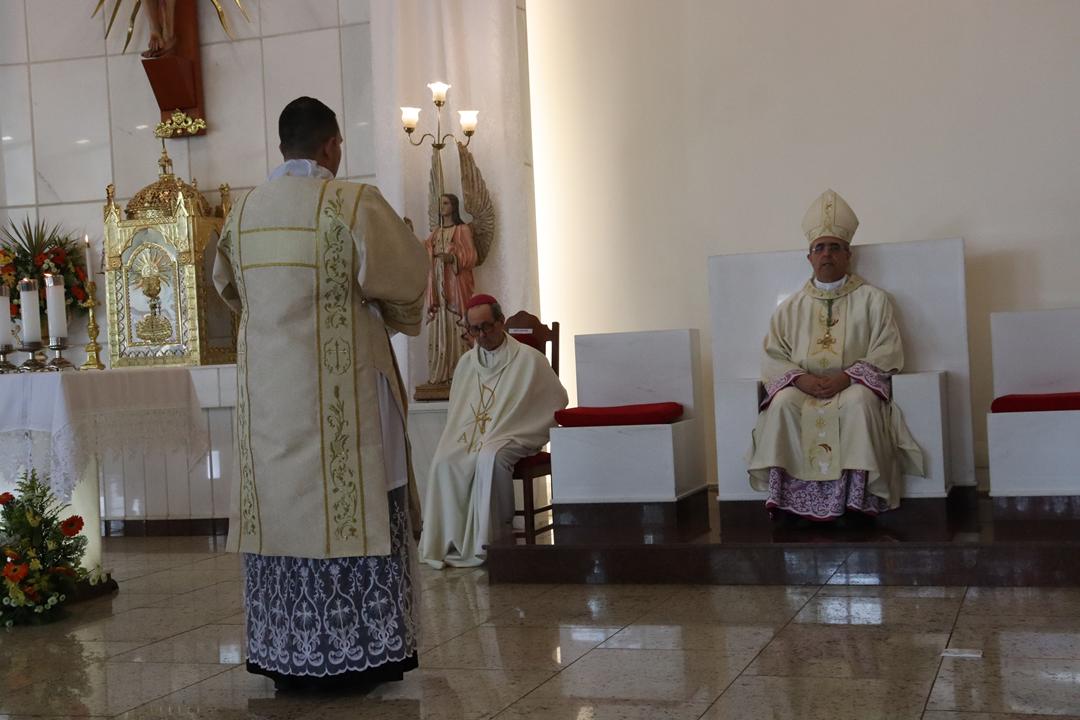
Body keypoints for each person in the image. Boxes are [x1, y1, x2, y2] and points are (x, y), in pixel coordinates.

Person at [212, 96, 429, 689]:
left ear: (283, 146)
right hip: (346, 397)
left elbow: (229, 289)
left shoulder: (242, 213)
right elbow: (408, 278)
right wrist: (382, 312)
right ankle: (362, 655)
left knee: (282, 513)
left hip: (271, 403)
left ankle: (287, 657)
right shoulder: (351, 203)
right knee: (358, 501)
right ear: (332, 145)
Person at [747, 189, 923, 522]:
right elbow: (773, 355)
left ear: (848, 255)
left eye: (834, 247)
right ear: (809, 257)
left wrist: (847, 377)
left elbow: (886, 348)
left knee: (860, 403)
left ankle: (856, 500)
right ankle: (787, 501)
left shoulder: (873, 300)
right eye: (820, 247)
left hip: (852, 385)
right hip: (803, 388)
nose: (827, 254)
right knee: (782, 404)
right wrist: (801, 380)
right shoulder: (790, 308)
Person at [419, 294, 568, 568]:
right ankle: (452, 540)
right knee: (443, 461)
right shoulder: (466, 364)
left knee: (491, 456)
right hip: (475, 437)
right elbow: (460, 413)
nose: (481, 335)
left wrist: (513, 423)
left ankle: (497, 537)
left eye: (486, 326)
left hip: (516, 433)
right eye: (474, 329)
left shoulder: (529, 359)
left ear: (501, 322)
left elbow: (556, 399)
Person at [423, 193, 478, 386]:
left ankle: (459, 374)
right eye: (440, 203)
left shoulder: (462, 229)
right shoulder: (436, 233)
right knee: (439, 324)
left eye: (445, 203)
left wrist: (453, 258)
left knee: (456, 326)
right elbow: (424, 250)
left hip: (455, 285)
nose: (442, 206)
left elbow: (471, 256)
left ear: (453, 206)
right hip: (438, 284)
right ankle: (441, 373)